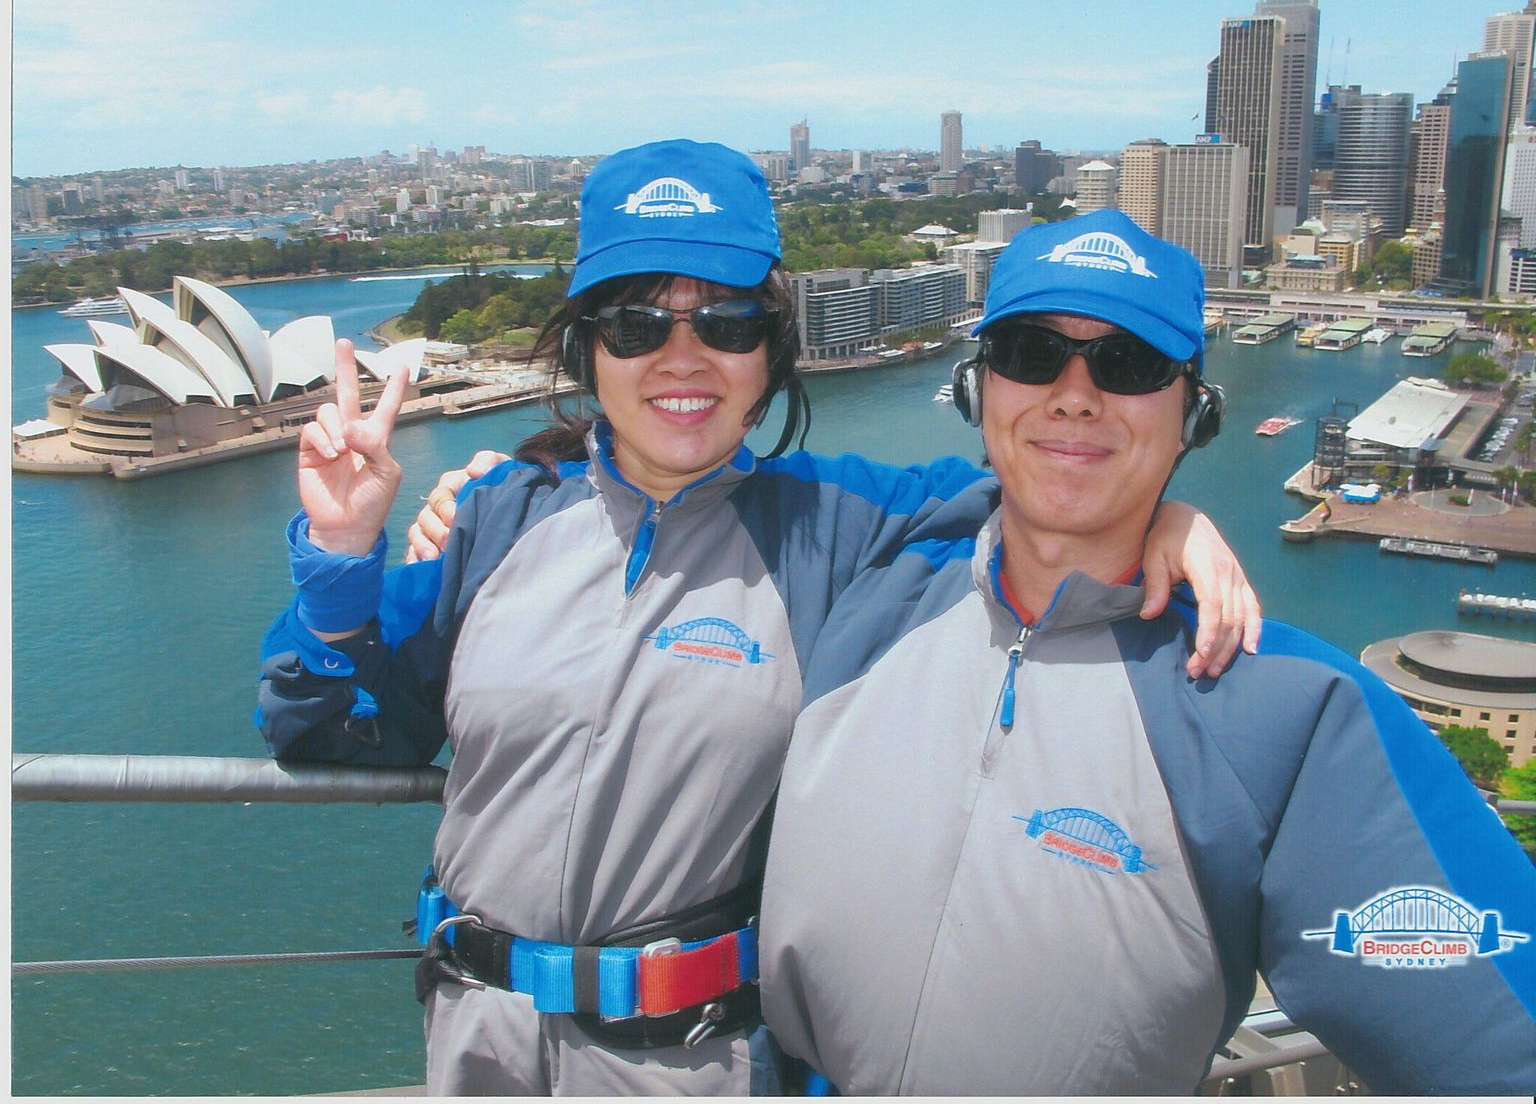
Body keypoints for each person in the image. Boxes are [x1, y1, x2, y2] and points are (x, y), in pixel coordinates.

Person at [256, 143, 1258, 1096]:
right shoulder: (498, 515)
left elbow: (1042, 486)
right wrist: (342, 552)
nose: (682, 358)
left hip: (695, 1065)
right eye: (638, 324)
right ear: (587, 347)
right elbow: (334, 725)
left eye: (727, 323)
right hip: (474, 1047)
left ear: (772, 350)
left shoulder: (839, 526)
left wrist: (1167, 513)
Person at [756, 209, 1536, 1095]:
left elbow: (1500, 1042)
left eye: (1127, 365)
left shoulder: (1286, 717)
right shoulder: (867, 577)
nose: (1075, 394)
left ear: (1193, 419)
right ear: (981, 389)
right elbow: (659, 468)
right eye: (1031, 353)